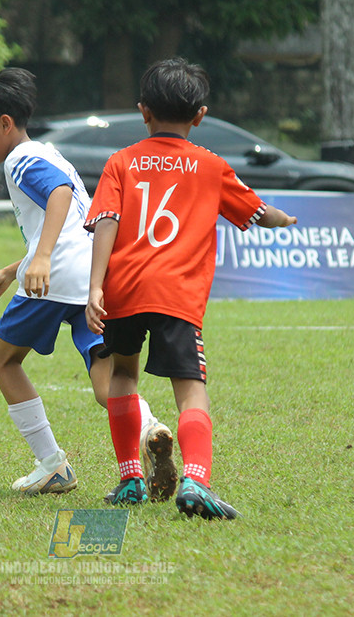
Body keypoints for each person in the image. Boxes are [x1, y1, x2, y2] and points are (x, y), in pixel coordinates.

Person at [85, 58, 298, 519]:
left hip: (121, 289)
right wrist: (284, 218)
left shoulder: (120, 162)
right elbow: (258, 213)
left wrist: (95, 287)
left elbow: (106, 221)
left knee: (123, 374)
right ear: (200, 115)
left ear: (143, 111)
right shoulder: (211, 165)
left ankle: (130, 478)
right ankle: (197, 481)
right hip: (176, 295)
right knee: (190, 389)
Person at [0, 68, 173, 497]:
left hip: (55, 280)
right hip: (93, 276)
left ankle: (52, 464)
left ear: (5, 123)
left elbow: (57, 195)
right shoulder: (51, 152)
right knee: (105, 381)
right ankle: (149, 427)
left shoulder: (20, 160)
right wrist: (11, 270)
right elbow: (74, 223)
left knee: (3, 359)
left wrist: (40, 259)